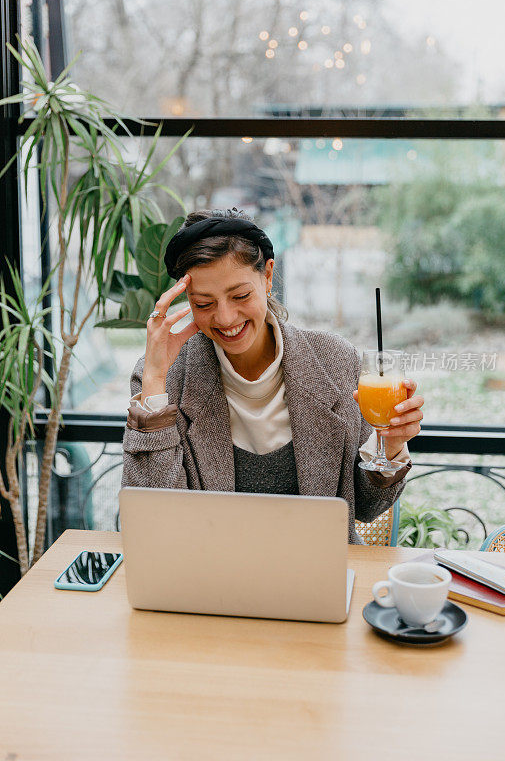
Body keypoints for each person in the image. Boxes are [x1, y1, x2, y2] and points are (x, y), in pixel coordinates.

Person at [122, 209, 424, 543]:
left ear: (267, 276)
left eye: (240, 296)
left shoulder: (335, 361)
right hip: (211, 580)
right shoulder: (165, 379)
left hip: (318, 575)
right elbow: (154, 521)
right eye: (204, 303)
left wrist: (391, 445)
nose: (225, 318)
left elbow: (366, 508)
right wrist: (153, 378)